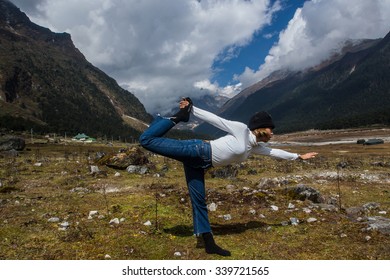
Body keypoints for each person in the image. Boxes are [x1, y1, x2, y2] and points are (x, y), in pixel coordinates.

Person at [139, 97, 318, 257]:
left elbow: (274, 152)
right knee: (146, 140)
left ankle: (208, 244)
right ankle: (177, 118)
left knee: (199, 201)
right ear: (262, 128)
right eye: (272, 129)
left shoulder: (255, 146)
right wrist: (191, 110)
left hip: (200, 164)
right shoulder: (241, 130)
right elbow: (217, 120)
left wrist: (298, 157)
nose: (273, 133)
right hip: (196, 150)